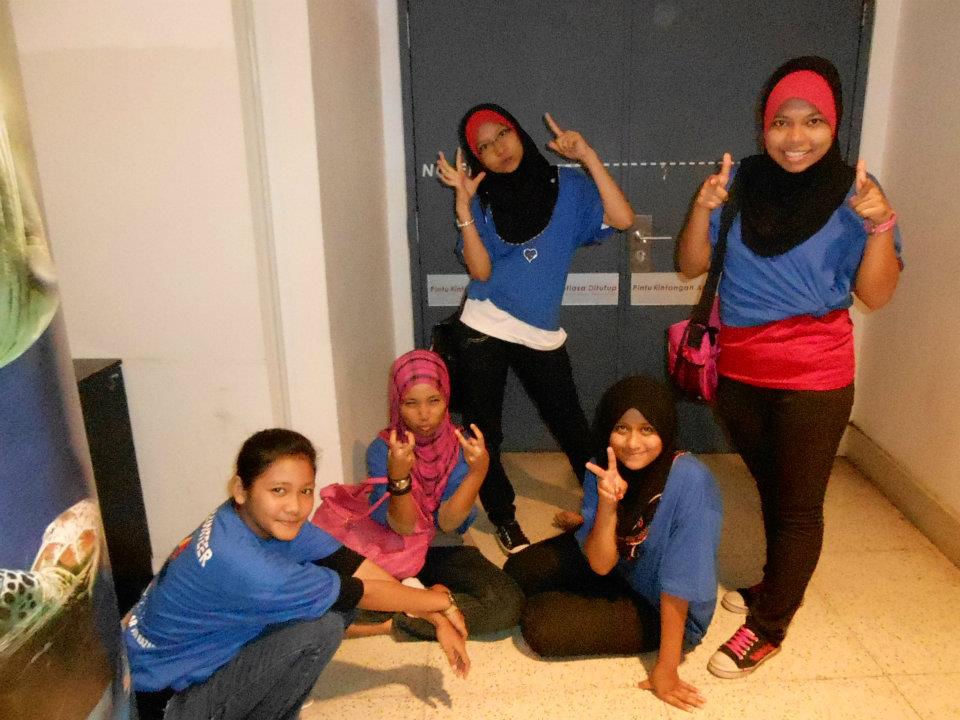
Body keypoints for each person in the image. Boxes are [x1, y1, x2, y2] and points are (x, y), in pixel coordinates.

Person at [677, 56, 903, 679]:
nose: (795, 136)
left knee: (799, 506)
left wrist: (881, 225)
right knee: (773, 489)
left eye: (812, 121)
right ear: (764, 126)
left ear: (834, 125)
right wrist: (703, 207)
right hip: (738, 371)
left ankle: (770, 624)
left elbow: (876, 294)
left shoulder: (856, 193)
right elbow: (691, 264)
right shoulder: (742, 181)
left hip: (814, 375)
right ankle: (776, 582)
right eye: (781, 121)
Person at [124, 428, 470, 720]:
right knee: (321, 627)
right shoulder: (247, 566)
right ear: (241, 489)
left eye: (305, 491)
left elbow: (351, 564)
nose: (295, 506)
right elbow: (360, 591)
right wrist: (440, 601)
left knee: (331, 607)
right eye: (279, 490)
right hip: (165, 704)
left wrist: (433, 614)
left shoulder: (247, 518)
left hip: (160, 669)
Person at [436, 103, 635, 553]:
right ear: (477, 158)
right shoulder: (484, 200)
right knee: (484, 433)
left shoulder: (570, 187)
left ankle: (603, 506)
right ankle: (504, 517)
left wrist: (587, 156)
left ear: (519, 132)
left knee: (572, 425)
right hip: (482, 324)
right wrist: (464, 206)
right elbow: (481, 272)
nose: (498, 149)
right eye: (484, 147)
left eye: (502, 134)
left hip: (540, 331)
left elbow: (622, 219)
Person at [503, 377, 722, 711]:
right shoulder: (604, 465)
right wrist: (607, 506)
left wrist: (666, 668)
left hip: (662, 606)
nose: (632, 443)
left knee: (540, 624)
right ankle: (585, 534)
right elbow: (601, 564)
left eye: (647, 429)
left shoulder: (692, 482)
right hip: (619, 566)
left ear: (665, 428)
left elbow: (680, 585)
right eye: (621, 428)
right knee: (518, 571)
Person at [354, 349, 524, 640]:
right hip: (393, 551)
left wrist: (478, 472)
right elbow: (403, 527)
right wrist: (399, 477)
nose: (424, 414)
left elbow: (448, 523)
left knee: (507, 603)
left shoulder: (462, 445)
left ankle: (406, 616)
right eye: (411, 403)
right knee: (340, 603)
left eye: (434, 401)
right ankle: (429, 602)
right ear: (397, 402)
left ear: (446, 397)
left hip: (443, 547)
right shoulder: (383, 449)